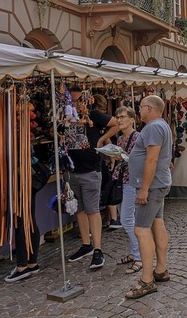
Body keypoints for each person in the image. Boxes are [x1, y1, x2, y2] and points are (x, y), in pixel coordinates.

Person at [125, 95, 173, 299]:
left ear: (150, 109)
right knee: (157, 224)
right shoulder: (162, 126)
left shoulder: (153, 127)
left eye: (141, 107)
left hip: (152, 187)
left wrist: (144, 188)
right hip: (159, 183)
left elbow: (151, 159)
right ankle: (161, 269)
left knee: (141, 229)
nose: (139, 110)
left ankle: (147, 280)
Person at [66, 90, 118, 269]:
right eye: (71, 99)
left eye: (78, 99)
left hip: (90, 170)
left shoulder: (94, 115)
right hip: (74, 169)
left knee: (92, 210)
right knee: (80, 209)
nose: (75, 103)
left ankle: (98, 250)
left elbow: (116, 123)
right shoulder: (68, 115)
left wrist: (102, 140)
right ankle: (86, 244)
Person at [111, 106, 142, 274]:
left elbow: (139, 160)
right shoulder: (120, 139)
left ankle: (139, 256)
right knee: (130, 218)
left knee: (126, 219)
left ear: (132, 119)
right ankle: (134, 252)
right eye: (117, 116)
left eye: (123, 116)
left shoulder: (137, 137)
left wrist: (122, 157)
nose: (119, 119)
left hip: (132, 181)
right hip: (122, 179)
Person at [4, 155, 42, 282]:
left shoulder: (16, 142)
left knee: (21, 222)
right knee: (29, 219)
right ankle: (32, 263)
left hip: (21, 180)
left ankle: (22, 266)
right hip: (26, 179)